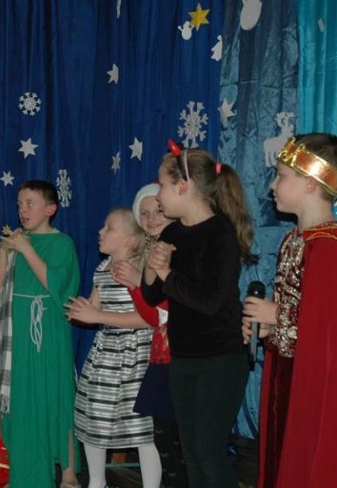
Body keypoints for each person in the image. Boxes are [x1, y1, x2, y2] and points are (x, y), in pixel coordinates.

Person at [141, 143, 255, 488]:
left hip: (220, 359)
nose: (158, 195)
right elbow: (152, 295)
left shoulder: (220, 234)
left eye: (162, 185)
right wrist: (152, 266)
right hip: (184, 358)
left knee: (209, 452)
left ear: (183, 186)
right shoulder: (173, 232)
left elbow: (209, 302)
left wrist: (166, 272)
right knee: (191, 453)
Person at [242, 133, 337, 487]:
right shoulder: (293, 240)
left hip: (312, 386)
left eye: (281, 176)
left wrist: (276, 316)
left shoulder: (327, 249)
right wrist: (269, 329)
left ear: (311, 183)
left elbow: (325, 333)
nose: (272, 185)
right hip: (285, 374)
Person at [0, 179, 80, 488]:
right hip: (18, 338)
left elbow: (57, 286)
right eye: (19, 204)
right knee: (22, 403)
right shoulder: (18, 241)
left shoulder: (62, 243)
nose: (23, 210)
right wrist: (5, 252)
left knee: (55, 397)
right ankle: (27, 476)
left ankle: (68, 473)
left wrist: (26, 249)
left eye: (30, 203)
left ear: (50, 209)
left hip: (47, 335)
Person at [67, 207, 161, 488]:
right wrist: (80, 311)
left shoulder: (141, 267)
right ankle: (97, 481)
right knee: (94, 414)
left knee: (143, 426)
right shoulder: (102, 268)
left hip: (137, 354)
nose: (101, 231)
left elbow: (148, 319)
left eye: (109, 228)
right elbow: (94, 308)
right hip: (105, 354)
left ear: (130, 240)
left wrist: (97, 316)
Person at [112, 184, 188, 488]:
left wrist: (138, 283)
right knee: (164, 440)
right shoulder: (148, 255)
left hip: (183, 354)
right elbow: (152, 316)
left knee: (181, 442)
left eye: (157, 210)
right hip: (161, 355)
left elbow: (178, 306)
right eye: (143, 214)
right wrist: (135, 285)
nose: (151, 218)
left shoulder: (179, 250)